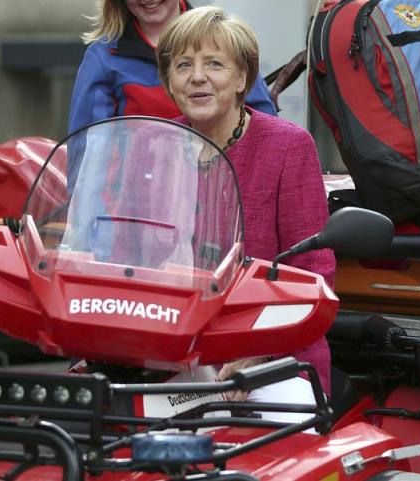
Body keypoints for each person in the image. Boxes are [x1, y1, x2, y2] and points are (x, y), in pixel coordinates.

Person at [156, 6, 335, 406]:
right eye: (183, 64)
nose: (197, 76)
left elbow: (313, 276)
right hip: (176, 357)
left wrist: (260, 353)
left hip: (277, 357)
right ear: (170, 80)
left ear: (241, 78)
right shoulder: (156, 148)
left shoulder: (288, 146)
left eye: (214, 64)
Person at [67, 0, 277, 184]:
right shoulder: (104, 57)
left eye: (212, 63)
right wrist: (95, 224)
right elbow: (87, 158)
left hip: (226, 195)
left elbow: (267, 130)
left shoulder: (223, 39)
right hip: (145, 206)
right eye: (184, 65)